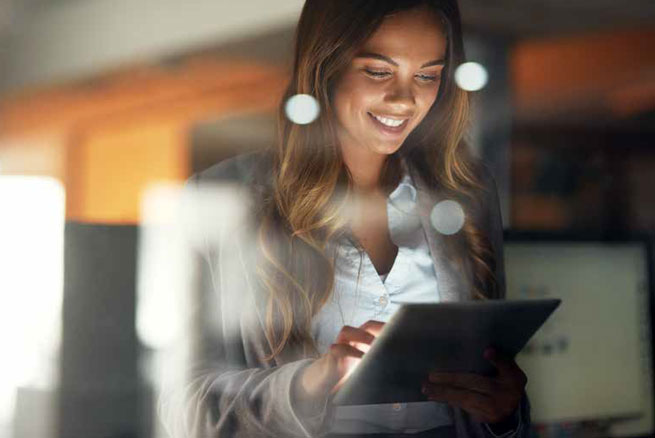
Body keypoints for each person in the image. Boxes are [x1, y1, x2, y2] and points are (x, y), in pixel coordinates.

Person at [178, 0, 530, 437]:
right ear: (325, 66)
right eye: (378, 71)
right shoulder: (223, 199)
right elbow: (181, 405)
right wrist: (311, 383)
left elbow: (490, 382)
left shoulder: (467, 195)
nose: (405, 98)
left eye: (427, 75)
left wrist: (504, 414)